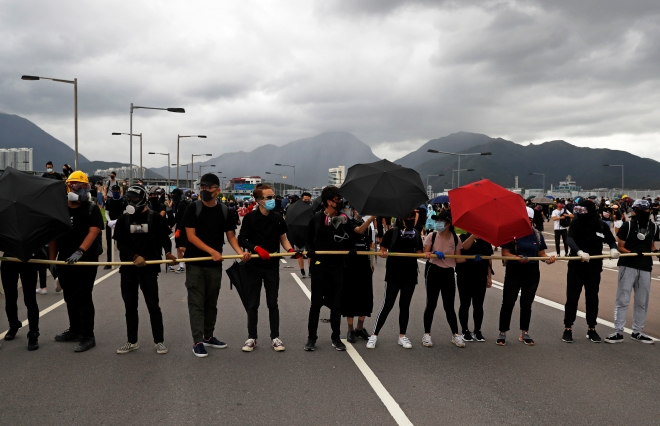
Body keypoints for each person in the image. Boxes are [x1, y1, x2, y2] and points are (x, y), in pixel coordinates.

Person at [183, 173, 250, 357]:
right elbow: (191, 237)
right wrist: (211, 251)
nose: (204, 190)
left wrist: (239, 252)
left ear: (217, 190)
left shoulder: (224, 211)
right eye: (202, 187)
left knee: (211, 302)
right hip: (195, 263)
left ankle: (208, 336)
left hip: (214, 265)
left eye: (208, 187)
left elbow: (231, 237)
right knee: (196, 303)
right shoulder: (192, 208)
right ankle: (197, 341)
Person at [113, 185, 177, 355]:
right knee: (130, 306)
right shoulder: (123, 220)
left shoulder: (155, 218)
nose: (130, 201)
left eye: (134, 198)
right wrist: (134, 257)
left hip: (149, 269)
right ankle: (132, 341)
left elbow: (165, 238)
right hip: (128, 269)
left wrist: (169, 253)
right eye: (129, 198)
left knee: (153, 305)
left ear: (142, 200)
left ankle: (159, 341)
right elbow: (119, 243)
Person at [238, 184, 298, 352]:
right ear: (259, 201)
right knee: (253, 304)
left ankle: (275, 337)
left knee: (273, 302)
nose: (273, 200)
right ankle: (251, 337)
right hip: (254, 266)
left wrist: (291, 250)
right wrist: (256, 248)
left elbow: (283, 239)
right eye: (269, 197)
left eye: (273, 196)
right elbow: (242, 239)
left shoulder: (278, 218)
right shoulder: (250, 218)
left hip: (272, 266)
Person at [48, 171, 103, 352]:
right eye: (77, 186)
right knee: (69, 296)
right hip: (64, 260)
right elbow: (54, 236)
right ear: (69, 187)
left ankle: (88, 336)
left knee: (83, 296)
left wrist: (80, 251)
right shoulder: (60, 208)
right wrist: (52, 261)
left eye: (84, 186)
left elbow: (93, 231)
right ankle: (74, 329)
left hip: (85, 261)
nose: (81, 190)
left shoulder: (90, 208)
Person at [497, 206, 556, 346]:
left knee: (526, 303)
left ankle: (525, 332)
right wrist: (517, 257)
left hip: (532, 273)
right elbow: (505, 253)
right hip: (514, 272)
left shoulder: (536, 234)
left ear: (531, 220)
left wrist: (548, 259)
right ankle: (502, 331)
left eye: (527, 220)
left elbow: (541, 253)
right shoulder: (511, 234)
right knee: (508, 302)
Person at [563, 199, 619, 343]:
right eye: (578, 211)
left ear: (590, 210)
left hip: (594, 267)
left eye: (583, 211)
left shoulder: (600, 225)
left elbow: (611, 240)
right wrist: (579, 252)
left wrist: (613, 249)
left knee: (592, 298)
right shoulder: (576, 223)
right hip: (576, 265)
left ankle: (591, 328)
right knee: (572, 297)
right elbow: (570, 239)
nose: (580, 214)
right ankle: (568, 328)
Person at [304, 186, 352, 352]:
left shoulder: (344, 218)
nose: (339, 202)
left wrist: (349, 246)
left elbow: (350, 238)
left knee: (336, 304)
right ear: (328, 201)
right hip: (319, 266)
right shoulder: (316, 219)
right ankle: (311, 338)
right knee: (316, 303)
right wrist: (309, 250)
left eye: (340, 199)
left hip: (337, 266)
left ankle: (336, 337)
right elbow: (309, 240)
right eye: (336, 199)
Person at [367, 212, 423, 350]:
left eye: (413, 218)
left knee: (405, 305)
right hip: (394, 274)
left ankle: (402, 336)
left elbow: (419, 252)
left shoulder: (416, 234)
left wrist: (426, 254)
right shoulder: (392, 233)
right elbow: (383, 249)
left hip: (410, 275)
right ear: (402, 219)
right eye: (409, 218)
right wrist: (383, 252)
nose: (412, 220)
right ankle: (374, 335)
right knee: (387, 305)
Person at [605, 199, 658, 344]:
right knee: (622, 299)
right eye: (641, 211)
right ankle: (618, 331)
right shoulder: (627, 226)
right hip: (628, 265)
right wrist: (632, 251)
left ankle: (638, 332)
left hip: (645, 267)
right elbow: (620, 245)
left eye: (647, 211)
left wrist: (656, 251)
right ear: (635, 212)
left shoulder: (653, 226)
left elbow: (651, 243)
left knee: (642, 301)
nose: (645, 213)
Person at [422, 211, 467, 348]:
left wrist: (473, 259)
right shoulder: (432, 235)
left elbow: (458, 259)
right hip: (433, 270)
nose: (438, 224)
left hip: (448, 273)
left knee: (449, 306)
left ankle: (455, 335)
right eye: (437, 221)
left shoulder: (455, 238)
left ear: (448, 223)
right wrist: (434, 254)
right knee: (431, 304)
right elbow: (425, 253)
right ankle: (427, 334)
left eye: (441, 221)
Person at [342, 208, 376, 343]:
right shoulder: (348, 222)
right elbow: (358, 230)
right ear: (353, 210)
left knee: (366, 296)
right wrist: (371, 218)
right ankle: (350, 329)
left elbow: (369, 245)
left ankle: (360, 328)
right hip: (351, 264)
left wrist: (371, 262)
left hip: (364, 264)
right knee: (350, 296)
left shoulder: (368, 226)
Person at [2, 248, 46, 351]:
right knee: (10, 298)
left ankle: (33, 334)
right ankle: (13, 325)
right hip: (9, 259)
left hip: (28, 260)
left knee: (30, 299)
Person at [455, 231, 493, 343]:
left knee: (478, 304)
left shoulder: (486, 240)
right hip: (465, 275)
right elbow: (464, 248)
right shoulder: (462, 237)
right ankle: (465, 330)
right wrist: (472, 236)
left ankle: (477, 330)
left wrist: (489, 277)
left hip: (480, 276)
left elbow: (489, 259)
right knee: (465, 303)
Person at [103, 184, 125, 269]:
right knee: (109, 244)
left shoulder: (123, 201)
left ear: (119, 191)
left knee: (121, 243)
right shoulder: (109, 201)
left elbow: (125, 212)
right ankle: (109, 262)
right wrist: (109, 221)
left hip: (120, 224)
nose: (115, 192)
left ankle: (123, 261)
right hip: (110, 225)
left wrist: (118, 221)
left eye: (117, 191)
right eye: (114, 191)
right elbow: (106, 212)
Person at [171, 188, 189, 273]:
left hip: (183, 229)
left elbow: (183, 218)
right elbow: (177, 217)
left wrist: (180, 228)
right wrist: (170, 225)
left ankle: (194, 256)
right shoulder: (177, 204)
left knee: (182, 247)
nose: (172, 196)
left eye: (173, 194)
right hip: (178, 228)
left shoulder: (182, 204)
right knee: (178, 247)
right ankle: (181, 266)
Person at [297, 192, 313, 277]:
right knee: (299, 253)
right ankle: (302, 270)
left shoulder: (311, 209)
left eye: (308, 200)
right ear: (301, 199)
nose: (306, 201)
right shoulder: (296, 209)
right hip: (299, 233)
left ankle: (310, 270)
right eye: (305, 200)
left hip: (309, 233)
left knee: (310, 252)